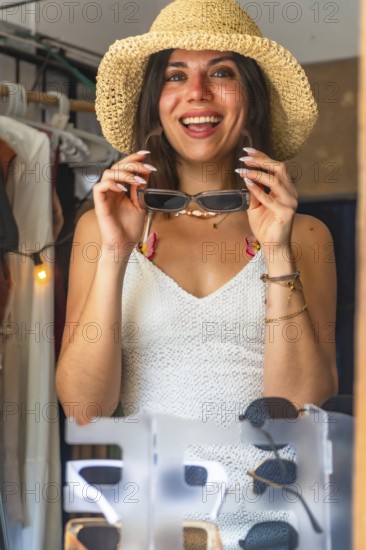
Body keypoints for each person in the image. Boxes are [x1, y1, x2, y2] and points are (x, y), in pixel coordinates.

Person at [56, 0, 338, 546]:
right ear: (156, 104)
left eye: (222, 73)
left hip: (276, 527)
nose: (198, 93)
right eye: (175, 75)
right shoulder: (103, 228)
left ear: (251, 98)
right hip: (148, 527)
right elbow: (83, 408)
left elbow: (299, 405)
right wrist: (116, 252)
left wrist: (275, 248)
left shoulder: (305, 236)